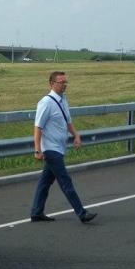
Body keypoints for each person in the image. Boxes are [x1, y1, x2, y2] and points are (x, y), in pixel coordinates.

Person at [30, 71, 97, 223]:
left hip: (59, 148)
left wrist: (76, 135)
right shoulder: (46, 103)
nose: (64, 85)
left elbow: (68, 122)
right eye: (61, 82)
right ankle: (82, 213)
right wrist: (37, 149)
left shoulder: (63, 100)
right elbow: (38, 128)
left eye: (65, 82)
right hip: (50, 149)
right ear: (51, 84)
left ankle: (36, 212)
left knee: (45, 182)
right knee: (65, 181)